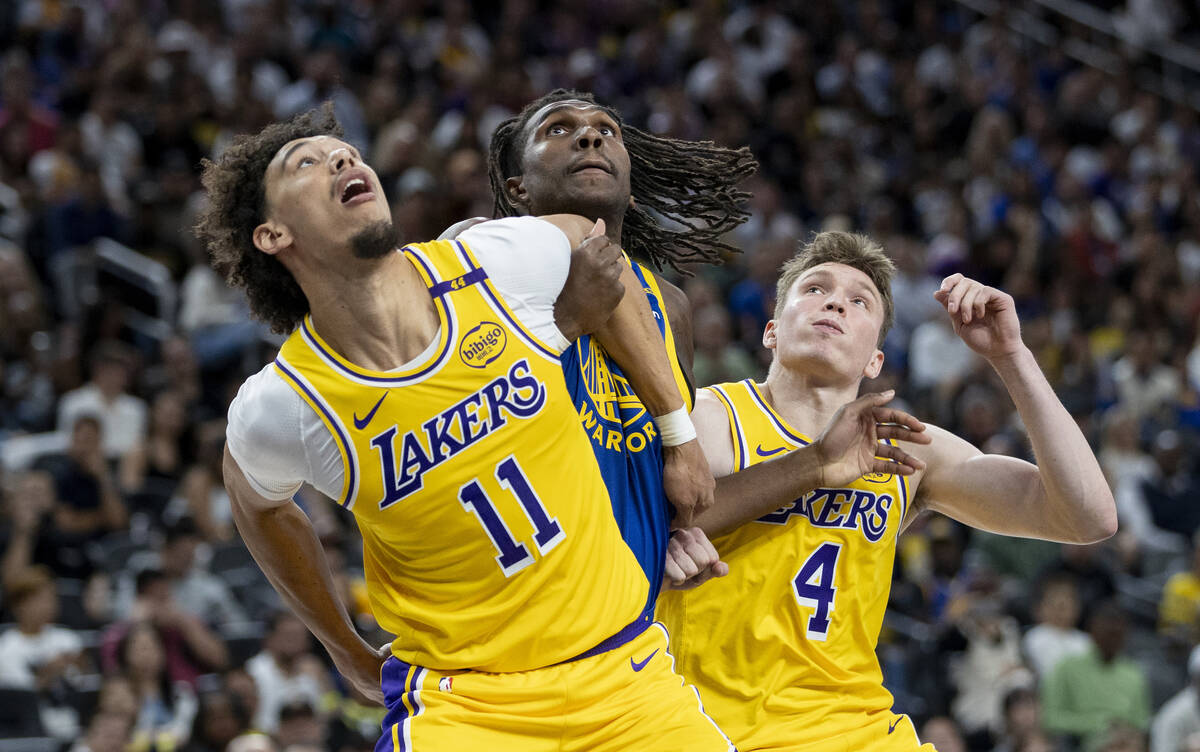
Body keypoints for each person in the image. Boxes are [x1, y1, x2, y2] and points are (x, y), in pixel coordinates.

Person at [195, 105, 731, 750]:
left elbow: (595, 249)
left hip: (626, 676)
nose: (342, 158)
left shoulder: (490, 262)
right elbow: (257, 506)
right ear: (273, 234)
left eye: (344, 150)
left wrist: (679, 434)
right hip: (467, 709)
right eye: (304, 162)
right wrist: (343, 647)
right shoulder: (284, 405)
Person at [657, 231, 1117, 751]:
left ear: (875, 361)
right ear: (771, 332)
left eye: (859, 301)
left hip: (860, 731)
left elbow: (1088, 518)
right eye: (814, 289)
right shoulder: (703, 418)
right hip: (712, 726)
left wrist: (1011, 356)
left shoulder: (904, 449)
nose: (834, 301)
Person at [483, 88, 757, 608]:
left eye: (606, 131)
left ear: (630, 191)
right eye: (558, 129)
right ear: (517, 190)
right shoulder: (477, 252)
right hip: (514, 591)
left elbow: (674, 471)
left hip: (624, 611)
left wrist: (677, 538)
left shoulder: (671, 306)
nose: (589, 135)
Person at [1041, 600, 1150, 750]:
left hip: (1126, 742)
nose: (1112, 641)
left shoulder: (1133, 673)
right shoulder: (1067, 667)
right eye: (1108, 634)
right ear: (1092, 632)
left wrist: (1125, 733)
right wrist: (1097, 723)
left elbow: (1141, 722)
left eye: (1117, 635)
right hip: (1083, 743)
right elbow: (1051, 718)